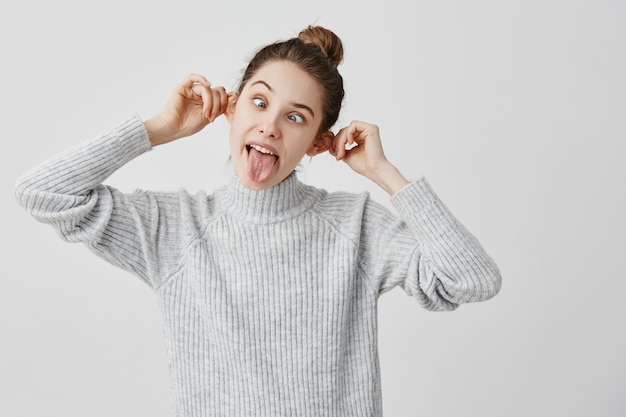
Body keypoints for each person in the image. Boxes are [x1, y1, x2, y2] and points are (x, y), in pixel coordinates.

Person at [15, 25, 501, 417]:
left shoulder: (356, 228)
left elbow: (473, 280)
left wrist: (387, 175)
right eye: (260, 102)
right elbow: (43, 193)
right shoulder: (177, 227)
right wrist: (159, 129)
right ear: (231, 108)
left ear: (316, 141)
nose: (269, 125)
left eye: (296, 117)